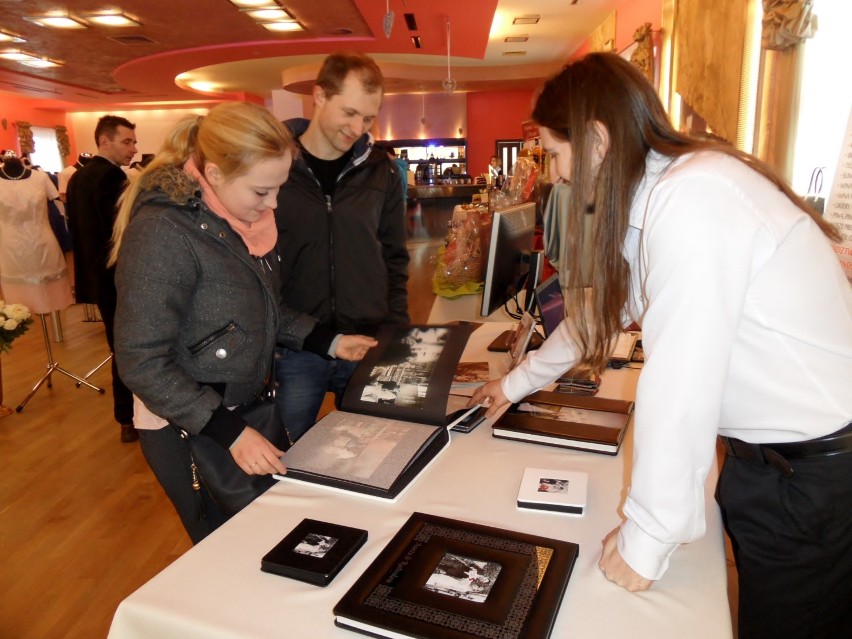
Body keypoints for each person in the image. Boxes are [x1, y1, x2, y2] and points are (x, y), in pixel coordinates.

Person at [470, 53, 852, 639]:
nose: (559, 174)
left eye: (557, 152)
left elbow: (681, 378)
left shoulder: (694, 196)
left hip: (814, 474)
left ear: (596, 139)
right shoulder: (664, 194)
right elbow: (602, 314)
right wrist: (517, 382)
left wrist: (647, 538)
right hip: (773, 463)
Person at [111, 102, 376, 543]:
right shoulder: (163, 231)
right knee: (229, 548)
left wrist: (329, 341)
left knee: (270, 540)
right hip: (189, 426)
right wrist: (230, 433)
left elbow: (260, 309)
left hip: (241, 411)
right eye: (261, 192)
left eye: (278, 189)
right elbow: (141, 362)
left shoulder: (238, 216)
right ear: (214, 174)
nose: (272, 204)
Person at [274, 52, 410, 442]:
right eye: (349, 113)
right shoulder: (275, 167)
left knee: (374, 452)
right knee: (286, 456)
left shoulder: (381, 171)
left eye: (368, 118)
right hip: (297, 346)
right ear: (319, 96)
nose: (357, 127)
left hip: (368, 342)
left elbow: (394, 257)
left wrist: (394, 335)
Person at [65, 115, 139, 443]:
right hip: (117, 279)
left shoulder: (78, 178)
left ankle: (127, 416)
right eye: (127, 142)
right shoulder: (112, 178)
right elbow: (123, 236)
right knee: (127, 348)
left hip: (97, 279)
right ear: (104, 141)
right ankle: (129, 416)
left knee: (118, 345)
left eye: (134, 142)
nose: (133, 149)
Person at [0, 154, 74, 314]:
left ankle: (56, 330)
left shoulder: (41, 178)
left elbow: (55, 199)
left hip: (44, 243)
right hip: (11, 250)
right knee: (18, 307)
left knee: (52, 298)